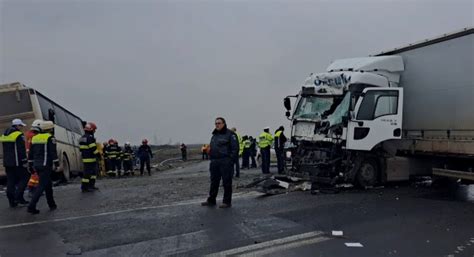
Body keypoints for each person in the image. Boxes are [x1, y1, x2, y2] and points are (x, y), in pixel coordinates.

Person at [201, 117, 239, 208]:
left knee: (226, 182)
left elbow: (235, 149)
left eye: (219, 123)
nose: (217, 125)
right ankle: (211, 200)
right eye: (216, 123)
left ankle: (226, 202)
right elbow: (213, 147)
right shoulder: (214, 135)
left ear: (224, 124)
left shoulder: (230, 134)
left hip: (225, 161)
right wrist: (209, 152)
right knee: (214, 181)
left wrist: (230, 161)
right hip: (214, 161)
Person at [27, 121, 58, 214]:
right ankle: (31, 206)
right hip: (45, 165)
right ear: (50, 129)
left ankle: (51, 204)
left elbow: (31, 153)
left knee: (48, 185)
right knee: (41, 186)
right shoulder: (50, 138)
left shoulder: (35, 138)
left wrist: (30, 165)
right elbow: (53, 152)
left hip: (37, 165)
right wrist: (57, 164)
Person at [0, 119, 30, 207]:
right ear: (17, 126)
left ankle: (12, 201)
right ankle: (18, 196)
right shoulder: (18, 135)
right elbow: (21, 149)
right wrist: (24, 161)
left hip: (7, 162)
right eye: (20, 126)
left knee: (11, 181)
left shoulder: (5, 134)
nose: (21, 128)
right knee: (25, 177)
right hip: (17, 162)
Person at [79, 122, 99, 192]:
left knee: (91, 173)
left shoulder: (82, 138)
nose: (94, 131)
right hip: (91, 158)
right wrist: (98, 155)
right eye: (94, 130)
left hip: (85, 158)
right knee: (88, 174)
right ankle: (86, 187)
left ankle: (89, 186)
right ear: (91, 129)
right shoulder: (90, 138)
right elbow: (93, 148)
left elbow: (81, 149)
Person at [25, 120, 43, 198]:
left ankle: (36, 189)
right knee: (35, 174)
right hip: (33, 156)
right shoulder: (34, 136)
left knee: (36, 174)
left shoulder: (29, 134)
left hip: (31, 155)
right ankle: (31, 189)